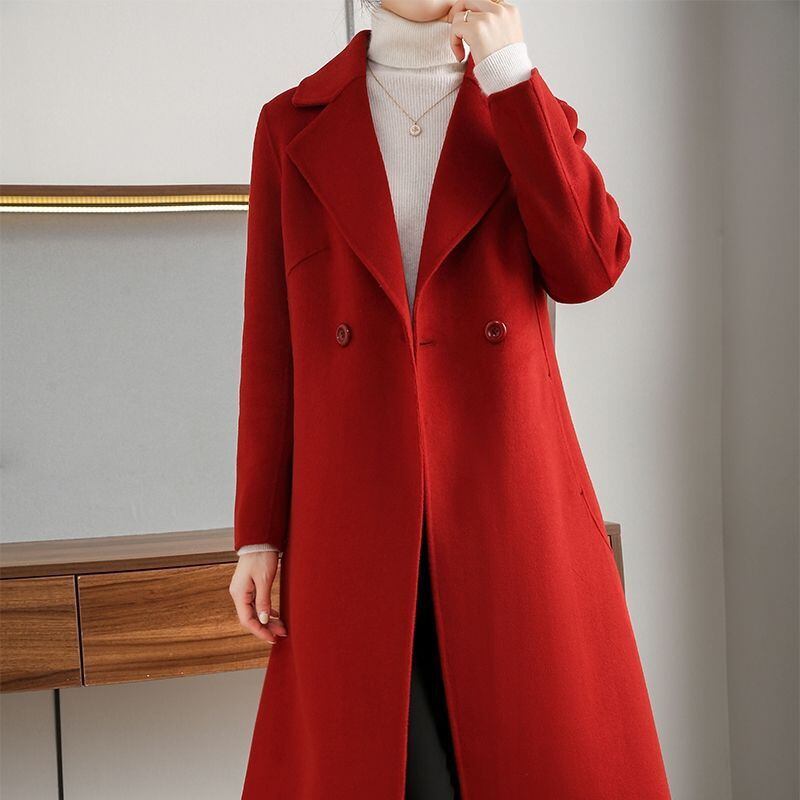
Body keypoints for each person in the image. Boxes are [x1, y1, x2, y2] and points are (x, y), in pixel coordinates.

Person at [229, 1, 672, 798]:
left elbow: (591, 267)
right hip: (354, 515)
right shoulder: (290, 124)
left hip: (506, 499)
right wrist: (258, 533)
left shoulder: (520, 104)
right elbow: (271, 342)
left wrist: (510, 73)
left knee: (529, 759)